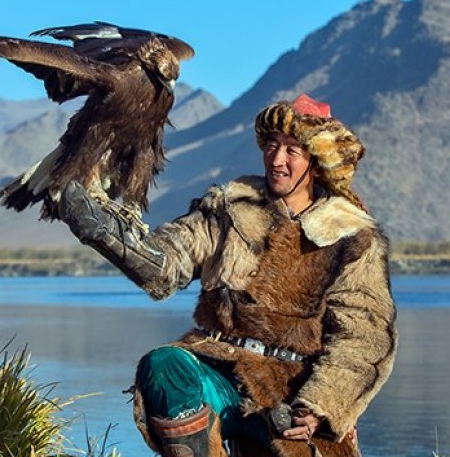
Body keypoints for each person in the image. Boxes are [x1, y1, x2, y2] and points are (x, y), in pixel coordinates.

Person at [59, 94, 397, 457]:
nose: (276, 159)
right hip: (222, 374)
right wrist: (112, 237)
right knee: (165, 366)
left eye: (291, 150)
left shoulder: (351, 236)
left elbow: (365, 337)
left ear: (316, 163)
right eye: (271, 145)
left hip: (296, 397)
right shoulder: (230, 209)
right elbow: (169, 259)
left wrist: (320, 406)